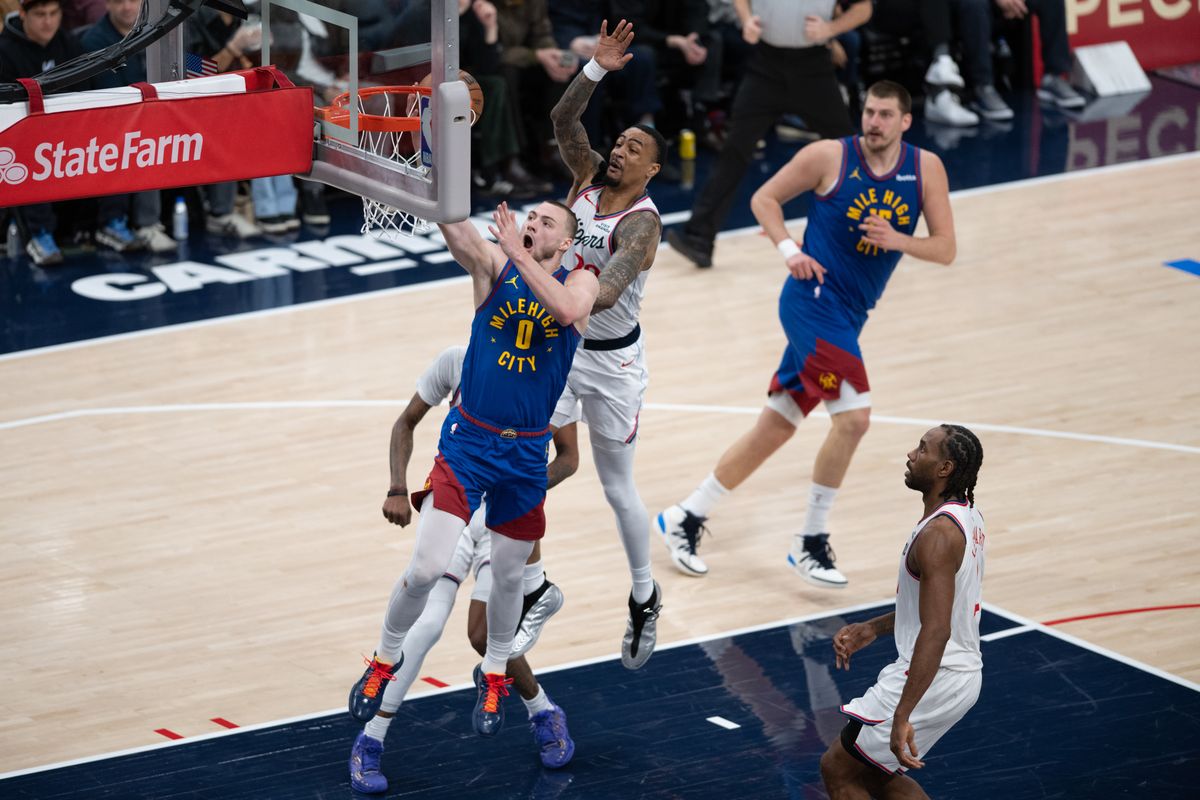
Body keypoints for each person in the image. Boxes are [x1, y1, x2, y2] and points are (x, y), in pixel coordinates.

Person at [657, 81, 957, 586]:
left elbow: (946, 248)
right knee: (855, 419)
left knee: (777, 425)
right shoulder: (829, 157)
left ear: (906, 121)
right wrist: (789, 251)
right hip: (811, 304)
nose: (874, 122)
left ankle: (685, 515)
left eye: (885, 114)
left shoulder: (925, 168)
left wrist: (898, 239)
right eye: (869, 112)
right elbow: (764, 198)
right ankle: (811, 540)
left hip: (850, 315)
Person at [347, 200, 598, 741]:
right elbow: (454, 225)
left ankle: (495, 671)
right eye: (529, 219)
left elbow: (562, 311)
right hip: (470, 444)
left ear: (568, 242)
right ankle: (385, 658)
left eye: (546, 222)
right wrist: (438, 171)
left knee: (508, 578)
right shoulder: (492, 267)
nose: (532, 225)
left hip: (527, 453)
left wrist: (515, 250)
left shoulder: (583, 282)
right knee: (424, 568)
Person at [348, 345, 578, 793]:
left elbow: (568, 458)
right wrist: (397, 486)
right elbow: (406, 421)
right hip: (458, 505)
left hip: (504, 514)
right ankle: (370, 739)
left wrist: (525, 483)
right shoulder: (459, 360)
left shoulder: (553, 372)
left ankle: (544, 712)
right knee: (428, 623)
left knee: (483, 635)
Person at [549, 19, 667, 670]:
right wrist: (594, 69)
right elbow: (564, 118)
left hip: (615, 363)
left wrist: (542, 279)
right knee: (528, 447)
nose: (619, 150)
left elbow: (609, 291)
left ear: (651, 168)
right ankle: (524, 575)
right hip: (566, 352)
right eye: (619, 141)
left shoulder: (643, 225)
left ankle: (644, 597)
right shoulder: (587, 178)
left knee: (617, 489)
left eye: (634, 147)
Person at [820, 424, 985, 798]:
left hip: (936, 674)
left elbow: (937, 630)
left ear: (944, 468)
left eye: (923, 450)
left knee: (839, 768)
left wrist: (902, 714)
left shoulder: (939, 536)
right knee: (875, 775)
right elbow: (939, 607)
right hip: (955, 674)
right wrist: (875, 628)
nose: (911, 455)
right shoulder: (966, 515)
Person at [666, 0, 871, 269]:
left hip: (813, 68)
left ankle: (872, 231)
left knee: (848, 149)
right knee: (734, 149)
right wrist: (747, 19)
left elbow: (864, 7)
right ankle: (699, 239)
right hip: (766, 66)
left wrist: (831, 29)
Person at [81, 0, 178, 252]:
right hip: (114, 125)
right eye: (118, 0)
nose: (126, 7)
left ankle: (219, 212)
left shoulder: (156, 30)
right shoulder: (94, 41)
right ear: (106, 3)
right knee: (144, 138)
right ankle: (144, 224)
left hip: (155, 112)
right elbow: (111, 99)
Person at [0, 0, 88, 264]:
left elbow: (88, 88)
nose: (48, 22)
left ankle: (102, 224)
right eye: (40, 15)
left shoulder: (69, 43)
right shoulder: (4, 51)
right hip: (20, 137)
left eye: (53, 14)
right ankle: (38, 234)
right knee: (27, 159)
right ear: (23, 14)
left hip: (65, 131)